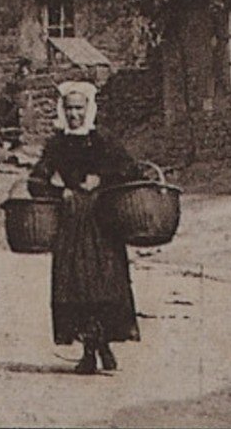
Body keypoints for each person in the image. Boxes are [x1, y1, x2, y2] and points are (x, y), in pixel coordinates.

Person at [28, 80, 143, 375]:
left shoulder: (103, 140)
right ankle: (89, 350)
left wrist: (102, 178)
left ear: (89, 109)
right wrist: (59, 192)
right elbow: (37, 179)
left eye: (79, 108)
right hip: (71, 225)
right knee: (75, 288)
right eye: (69, 108)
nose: (74, 114)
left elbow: (131, 171)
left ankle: (103, 344)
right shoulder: (58, 144)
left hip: (102, 223)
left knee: (104, 284)